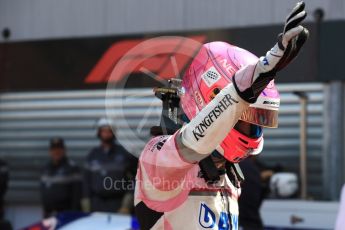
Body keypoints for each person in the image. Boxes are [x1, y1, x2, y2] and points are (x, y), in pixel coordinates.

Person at [134, 2, 309, 229]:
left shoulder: (228, 172)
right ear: (209, 99)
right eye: (244, 118)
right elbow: (190, 145)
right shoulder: (157, 159)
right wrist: (239, 92)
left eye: (258, 121)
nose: (253, 130)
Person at [82, 118, 137, 213]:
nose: (107, 134)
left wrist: (126, 205)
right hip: (96, 204)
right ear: (99, 132)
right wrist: (86, 207)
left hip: (119, 204)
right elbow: (86, 183)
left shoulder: (125, 154)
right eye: (104, 131)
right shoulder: (92, 155)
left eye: (109, 131)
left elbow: (133, 180)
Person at [40, 137, 82, 218]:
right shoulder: (45, 168)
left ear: (64, 150)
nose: (56, 152)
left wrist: (73, 215)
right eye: (54, 149)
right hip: (49, 215)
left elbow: (77, 195)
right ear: (50, 151)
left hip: (66, 214)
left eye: (59, 149)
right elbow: (43, 192)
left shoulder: (72, 168)